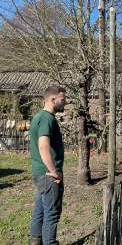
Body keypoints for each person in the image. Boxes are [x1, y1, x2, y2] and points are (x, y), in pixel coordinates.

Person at [29, 85, 67, 245]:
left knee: (40, 210)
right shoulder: (46, 119)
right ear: (53, 99)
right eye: (63, 99)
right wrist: (54, 171)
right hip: (48, 176)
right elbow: (43, 145)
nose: (65, 102)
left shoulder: (38, 117)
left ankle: (35, 241)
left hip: (39, 173)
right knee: (51, 214)